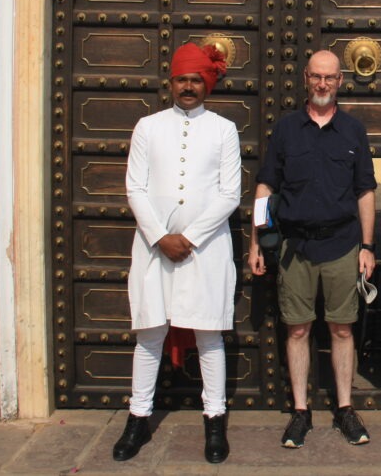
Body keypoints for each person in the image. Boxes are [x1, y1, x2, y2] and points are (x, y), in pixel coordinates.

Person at [112, 42, 242, 464]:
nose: (189, 86)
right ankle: (138, 419)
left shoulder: (223, 129)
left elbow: (229, 194)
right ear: (171, 82)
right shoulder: (147, 127)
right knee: (149, 335)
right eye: (182, 79)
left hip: (205, 250)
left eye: (196, 80)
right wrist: (161, 236)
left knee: (209, 336)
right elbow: (136, 187)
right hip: (154, 249)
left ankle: (215, 420)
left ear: (208, 84)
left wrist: (190, 236)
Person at [247, 49, 377, 449]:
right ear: (306, 78)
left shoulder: (354, 131)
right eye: (317, 77)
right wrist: (255, 242)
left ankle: (344, 409)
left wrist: (368, 246)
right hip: (295, 246)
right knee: (298, 328)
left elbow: (365, 192)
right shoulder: (286, 130)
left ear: (340, 81)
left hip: (341, 244)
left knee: (341, 328)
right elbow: (266, 188)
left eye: (330, 77)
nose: (323, 83)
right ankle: (301, 412)